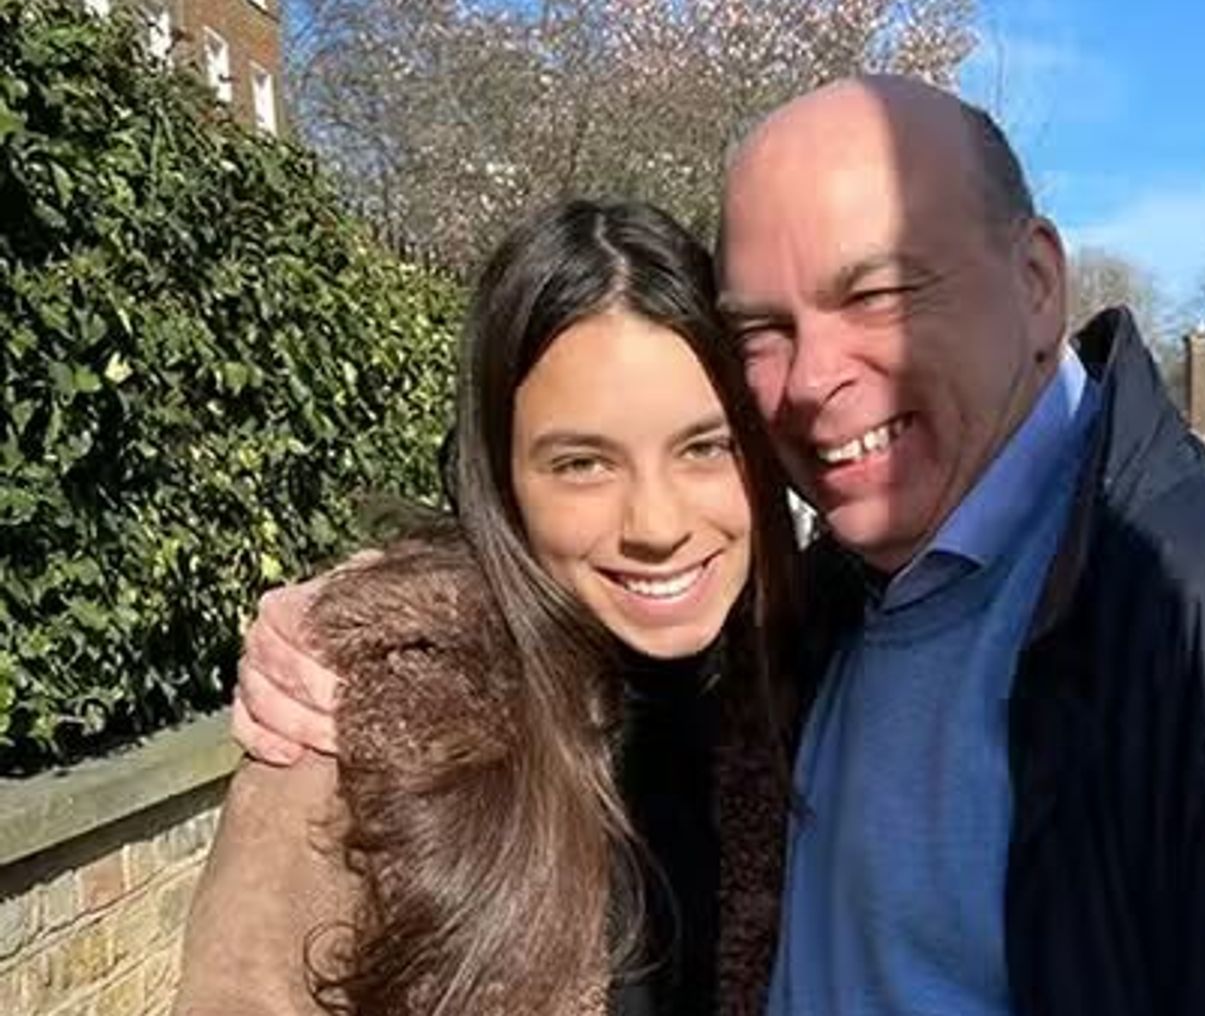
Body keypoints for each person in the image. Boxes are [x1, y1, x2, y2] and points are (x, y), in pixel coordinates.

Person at [235, 77, 1205, 1014]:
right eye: (767, 331)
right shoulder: (842, 610)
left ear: (1037, 284)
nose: (817, 380)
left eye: (879, 294)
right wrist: (370, 623)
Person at [176, 200, 795, 1016]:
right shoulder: (357, 734)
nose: (659, 525)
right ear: (502, 482)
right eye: (581, 463)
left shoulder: (818, 679)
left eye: (705, 447)